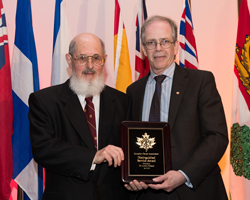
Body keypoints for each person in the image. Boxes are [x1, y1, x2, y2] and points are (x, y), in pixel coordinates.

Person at [125, 15, 228, 200]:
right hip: (148, 193)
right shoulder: (133, 91)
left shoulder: (201, 81)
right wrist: (132, 176)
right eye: (151, 42)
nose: (158, 48)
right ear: (143, 49)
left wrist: (183, 174)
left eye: (165, 41)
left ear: (176, 46)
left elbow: (217, 137)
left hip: (193, 190)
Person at [28, 33, 130, 200]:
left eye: (96, 58)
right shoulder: (45, 101)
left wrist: (137, 177)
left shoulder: (122, 100)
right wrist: (93, 156)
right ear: (70, 60)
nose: (90, 65)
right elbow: (43, 149)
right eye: (82, 58)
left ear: (104, 60)